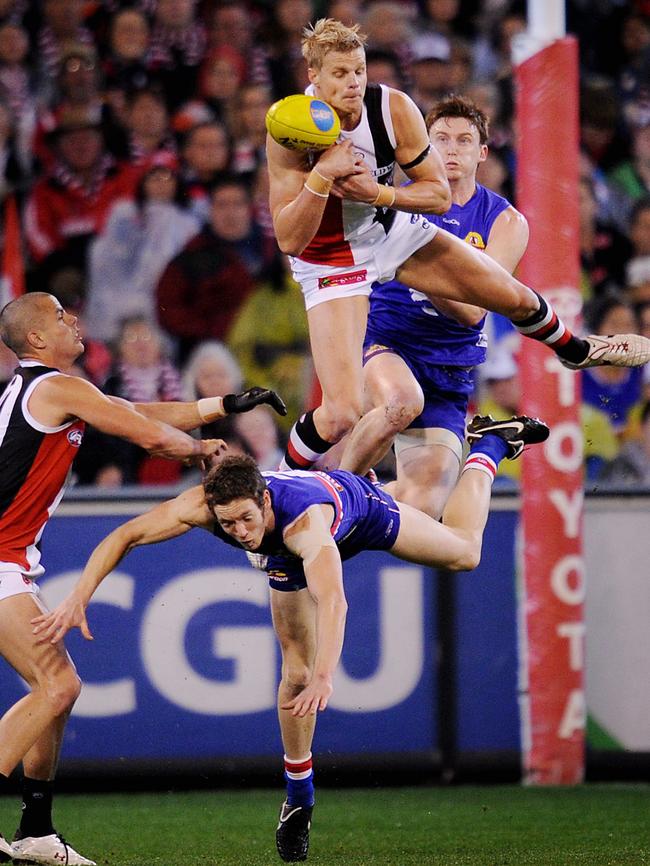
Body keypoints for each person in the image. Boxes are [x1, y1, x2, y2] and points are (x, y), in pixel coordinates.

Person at [32, 413, 549, 863]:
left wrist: (329, 676)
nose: (238, 531)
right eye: (228, 522)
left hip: (358, 514)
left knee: (465, 553)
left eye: (246, 518)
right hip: (291, 554)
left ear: (263, 499)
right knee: (293, 673)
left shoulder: (304, 523)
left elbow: (336, 601)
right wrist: (80, 594)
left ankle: (490, 445)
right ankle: (299, 796)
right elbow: (126, 533)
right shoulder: (205, 505)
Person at [270, 19, 650, 475]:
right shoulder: (290, 129)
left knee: (507, 292)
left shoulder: (393, 109)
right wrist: (321, 175)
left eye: (359, 70)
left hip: (386, 228)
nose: (353, 83)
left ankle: (574, 349)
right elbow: (290, 238)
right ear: (313, 76)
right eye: (340, 74)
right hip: (329, 257)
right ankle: (279, 488)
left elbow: (437, 195)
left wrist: (378, 194)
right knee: (341, 414)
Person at [0, 292, 286, 866]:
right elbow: (149, 435)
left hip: (10, 560)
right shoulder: (54, 387)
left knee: (55, 691)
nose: (74, 319)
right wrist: (201, 450)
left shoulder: (51, 391)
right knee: (58, 687)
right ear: (35, 340)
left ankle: (35, 829)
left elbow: (137, 413)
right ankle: (33, 828)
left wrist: (220, 404)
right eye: (59, 315)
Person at [333, 94, 529, 516]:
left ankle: (358, 504)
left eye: (463, 141)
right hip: (387, 340)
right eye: (440, 139)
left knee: (422, 507)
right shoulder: (393, 203)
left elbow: (477, 310)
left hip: (451, 365)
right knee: (402, 402)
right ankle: (335, 497)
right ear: (423, 145)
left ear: (482, 153)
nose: (450, 149)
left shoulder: (506, 221)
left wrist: (413, 269)